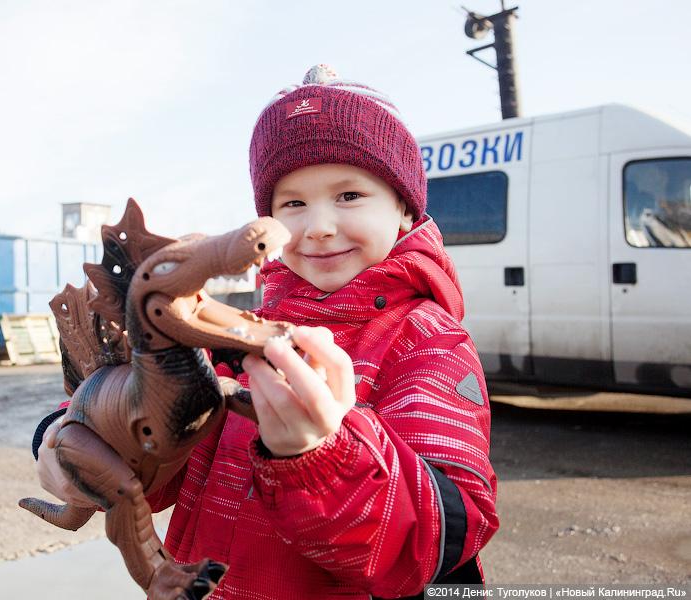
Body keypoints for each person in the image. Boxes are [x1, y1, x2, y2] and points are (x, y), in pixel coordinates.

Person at [33, 65, 499, 598]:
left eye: (350, 195)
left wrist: (323, 457)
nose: (319, 227)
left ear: (404, 211)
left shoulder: (427, 341)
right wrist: (69, 439)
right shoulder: (235, 334)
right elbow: (159, 460)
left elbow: (443, 534)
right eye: (293, 203)